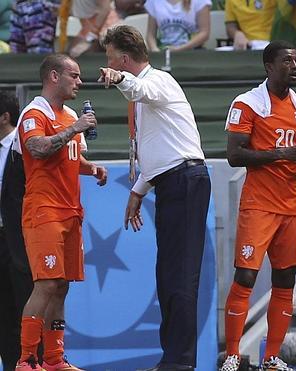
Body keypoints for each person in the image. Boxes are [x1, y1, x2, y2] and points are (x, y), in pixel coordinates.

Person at [99, 25, 211, 371]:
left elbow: (140, 89)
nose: (108, 64)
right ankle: (173, 358)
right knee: (169, 275)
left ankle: (180, 362)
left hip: (184, 181)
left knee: (179, 274)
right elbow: (159, 148)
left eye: (110, 58)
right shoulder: (147, 96)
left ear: (123, 58)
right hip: (171, 182)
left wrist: (119, 79)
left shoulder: (158, 81)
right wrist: (138, 191)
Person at [218, 40, 296, 371]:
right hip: (259, 203)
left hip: (292, 205)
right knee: (246, 276)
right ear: (269, 67)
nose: (294, 66)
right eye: (286, 61)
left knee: (285, 279)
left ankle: (272, 359)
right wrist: (282, 154)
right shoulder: (248, 103)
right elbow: (234, 155)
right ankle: (233, 355)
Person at [15, 53, 108, 371]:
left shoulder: (69, 114)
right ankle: (26, 359)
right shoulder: (34, 111)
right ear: (53, 76)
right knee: (46, 283)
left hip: (71, 211)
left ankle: (54, 360)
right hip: (44, 210)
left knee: (62, 285)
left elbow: (70, 158)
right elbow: (38, 148)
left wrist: (91, 167)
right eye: (74, 76)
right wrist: (76, 129)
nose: (80, 82)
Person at [0, 91, 31, 371]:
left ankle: (35, 364)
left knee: (27, 308)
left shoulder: (24, 147)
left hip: (20, 238)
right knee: (3, 313)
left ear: (5, 117)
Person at [144, 0, 211, 52]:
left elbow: (204, 33)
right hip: (164, 51)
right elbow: (150, 35)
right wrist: (155, 50)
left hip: (193, 52)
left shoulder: (200, 1)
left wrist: (179, 49)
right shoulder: (154, 2)